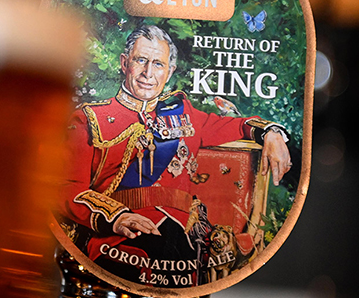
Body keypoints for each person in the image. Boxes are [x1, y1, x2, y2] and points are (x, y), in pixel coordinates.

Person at [59, 25, 291, 286]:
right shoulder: (90, 119)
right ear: (125, 63)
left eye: (158, 64)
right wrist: (116, 217)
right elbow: (67, 189)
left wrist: (270, 132)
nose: (148, 73)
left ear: (169, 72)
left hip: (181, 239)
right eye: (141, 60)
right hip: (119, 238)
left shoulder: (184, 113)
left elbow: (235, 126)